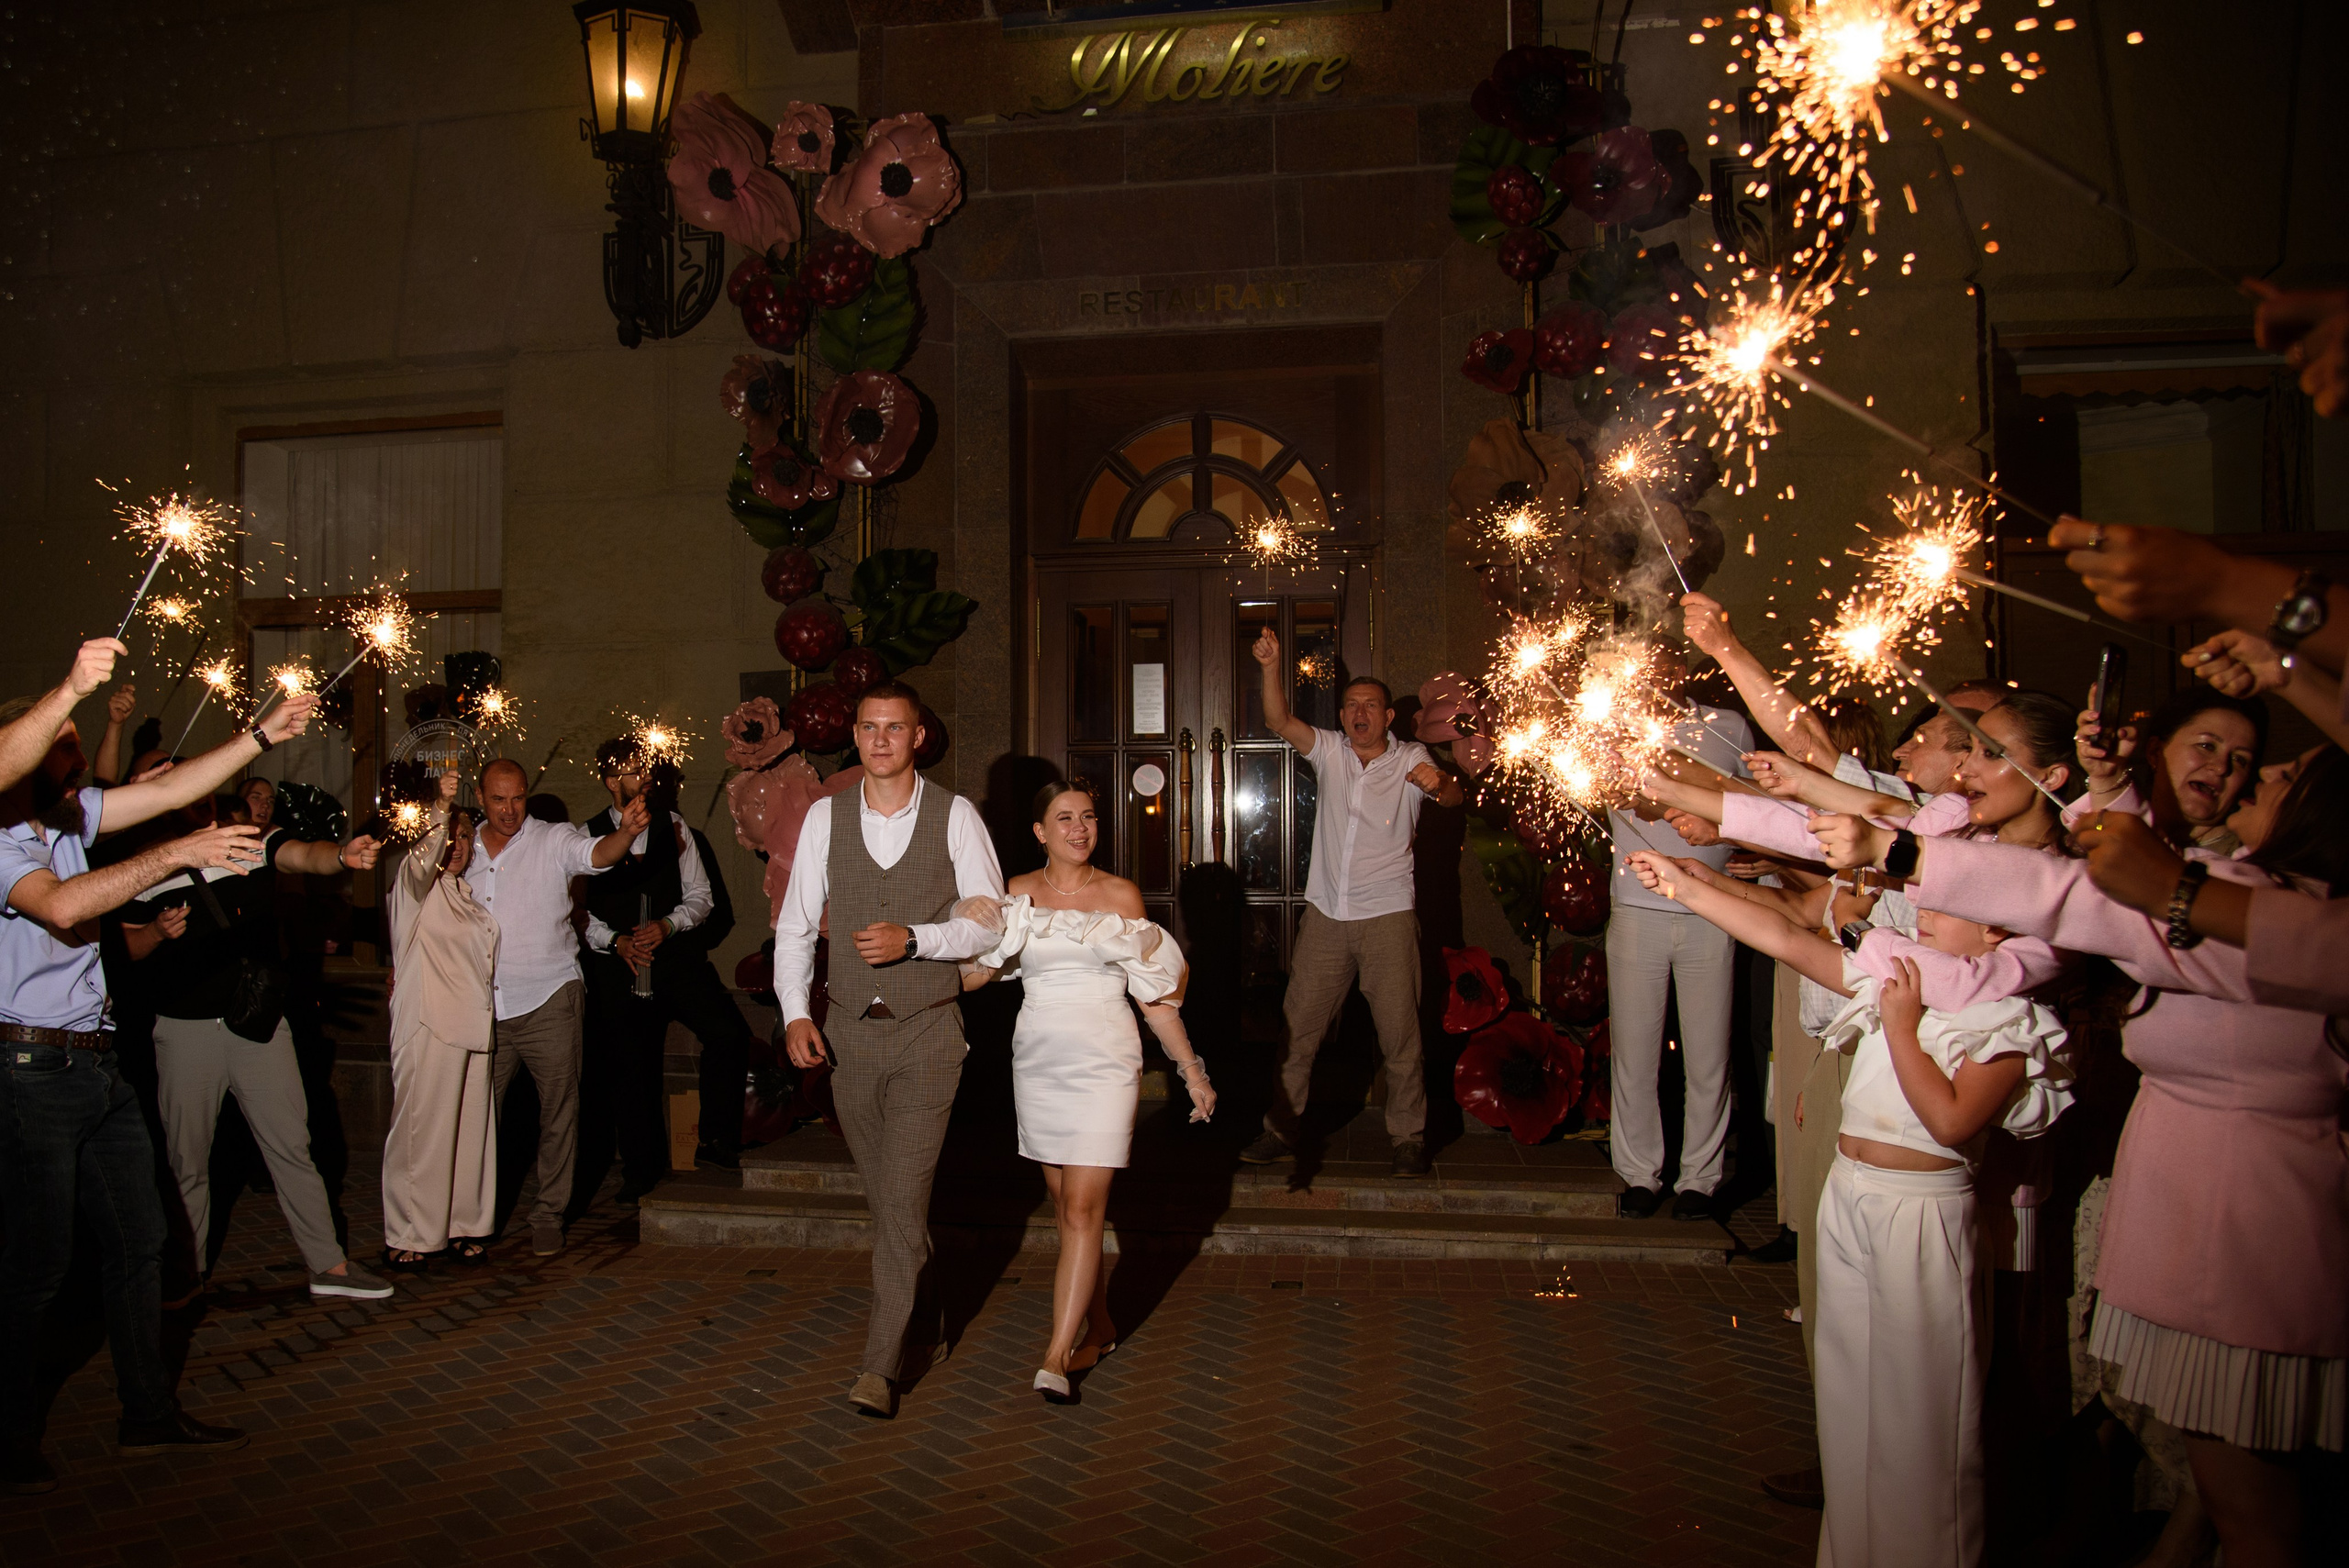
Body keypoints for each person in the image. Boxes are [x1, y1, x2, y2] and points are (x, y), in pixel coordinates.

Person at [1820, 745, 2348, 1564]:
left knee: (2260, 1513)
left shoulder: (2285, 922)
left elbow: (2069, 902)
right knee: (2221, 1488)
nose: (2255, 775)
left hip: (2252, 1223)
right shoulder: (2235, 894)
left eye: (2280, 768)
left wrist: (1901, 852)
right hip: (2196, 1208)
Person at [1626, 848, 2072, 1568]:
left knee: (1922, 1424)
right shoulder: (1901, 976)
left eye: (1947, 901)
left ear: (1999, 932)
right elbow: (1787, 940)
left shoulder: (2006, 1020)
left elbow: (1953, 1122)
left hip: (1921, 1213)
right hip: (1851, 1198)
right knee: (1850, 1410)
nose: (1921, 906)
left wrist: (1899, 1025)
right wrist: (1685, 886)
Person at [0, 684, 319, 1494]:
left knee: (142, 1242)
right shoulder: (5, 840)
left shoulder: (75, 815)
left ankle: (145, 1413)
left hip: (96, 1066)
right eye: (63, 745)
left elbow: (172, 789)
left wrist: (259, 734)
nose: (79, 757)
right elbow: (66, 905)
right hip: (28, 1071)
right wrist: (181, 854)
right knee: (36, 1267)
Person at [775, 681, 1007, 1419]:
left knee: (901, 1199)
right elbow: (794, 926)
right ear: (857, 734)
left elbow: (988, 922)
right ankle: (931, 1308)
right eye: (869, 727)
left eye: (894, 728)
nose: (880, 739)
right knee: (894, 1211)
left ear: (918, 737)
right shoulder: (824, 818)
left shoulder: (956, 815)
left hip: (930, 1033)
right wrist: (791, 1014)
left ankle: (879, 1366)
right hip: (848, 1033)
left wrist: (919, 939)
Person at [969, 781, 1212, 1402]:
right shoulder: (1017, 892)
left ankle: (1056, 1354)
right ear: (1039, 831)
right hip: (1040, 1062)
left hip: (1106, 1060)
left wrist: (1191, 1069)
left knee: (1082, 1209)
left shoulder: (1120, 894)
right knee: (1065, 1206)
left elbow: (1152, 995)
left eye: (1089, 817)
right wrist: (933, 939)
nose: (1080, 827)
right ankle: (1101, 1324)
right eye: (1065, 818)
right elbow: (975, 974)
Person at [117, 792, 388, 1298]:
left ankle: (329, 1266)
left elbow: (303, 854)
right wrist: (155, 932)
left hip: (257, 1025)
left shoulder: (248, 843)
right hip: (183, 1030)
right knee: (187, 1159)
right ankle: (185, 1272)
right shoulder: (148, 865)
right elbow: (125, 945)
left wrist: (340, 856)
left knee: (291, 1146)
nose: (195, 809)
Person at [1237, 629, 1462, 1178]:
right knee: (1299, 1031)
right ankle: (1281, 1131)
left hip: (1387, 916)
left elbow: (1453, 795)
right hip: (1327, 918)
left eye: (1371, 706)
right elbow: (1279, 722)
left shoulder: (1412, 757)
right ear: (1343, 715)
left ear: (1388, 717)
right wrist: (1270, 668)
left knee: (1400, 1036)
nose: (1361, 714)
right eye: (1352, 706)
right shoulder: (1332, 752)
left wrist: (1439, 784)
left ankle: (1408, 1138)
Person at [464, 756, 645, 1258]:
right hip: (483, 1005)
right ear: (481, 798)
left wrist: (626, 832)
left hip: (550, 998)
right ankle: (474, 1218)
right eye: (498, 799)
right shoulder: (460, 849)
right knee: (476, 1118)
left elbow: (596, 854)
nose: (509, 809)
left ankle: (548, 1215)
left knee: (558, 1114)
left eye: (517, 797)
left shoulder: (551, 837)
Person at [1604, 645, 1753, 1220]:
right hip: (1638, 911)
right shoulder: (1609, 723)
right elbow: (1612, 794)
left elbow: (1757, 804)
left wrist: (1756, 858)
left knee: (1709, 1054)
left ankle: (1700, 1180)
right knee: (1636, 1055)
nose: (1653, 676)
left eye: (1664, 666)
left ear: (1681, 672)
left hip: (1715, 909)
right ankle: (1638, 1174)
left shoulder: (1728, 726)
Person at [575, 738, 751, 1213]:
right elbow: (576, 915)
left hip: (675, 962)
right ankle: (640, 1171)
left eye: (648, 770)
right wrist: (617, 942)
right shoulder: (584, 836)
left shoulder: (675, 828)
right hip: (620, 967)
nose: (647, 778)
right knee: (631, 1069)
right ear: (613, 782)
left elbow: (702, 896)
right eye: (635, 772)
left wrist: (669, 925)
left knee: (729, 1034)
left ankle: (715, 1140)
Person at [382, 770, 499, 1269]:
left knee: (470, 1135)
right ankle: (409, 1232)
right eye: (449, 837)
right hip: (428, 1025)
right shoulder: (413, 890)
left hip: (473, 1027)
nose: (457, 845)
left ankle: (461, 1224)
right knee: (421, 1134)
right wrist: (440, 810)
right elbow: (420, 862)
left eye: (466, 836)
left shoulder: (466, 897)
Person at [2071, 689, 2264, 853]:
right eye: (2206, 746)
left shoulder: (2245, 867)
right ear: (2155, 752)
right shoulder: (2082, 835)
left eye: (2240, 759)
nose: (2222, 767)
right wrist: (2105, 773)